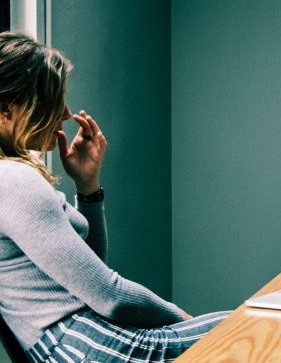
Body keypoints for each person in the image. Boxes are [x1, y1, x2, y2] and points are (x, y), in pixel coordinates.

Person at [0, 32, 229, 362]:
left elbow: (88, 276)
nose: (65, 113)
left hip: (82, 344)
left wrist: (87, 186)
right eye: (52, 100)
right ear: (6, 109)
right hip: (88, 346)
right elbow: (109, 294)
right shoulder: (13, 180)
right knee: (263, 326)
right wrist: (181, 317)